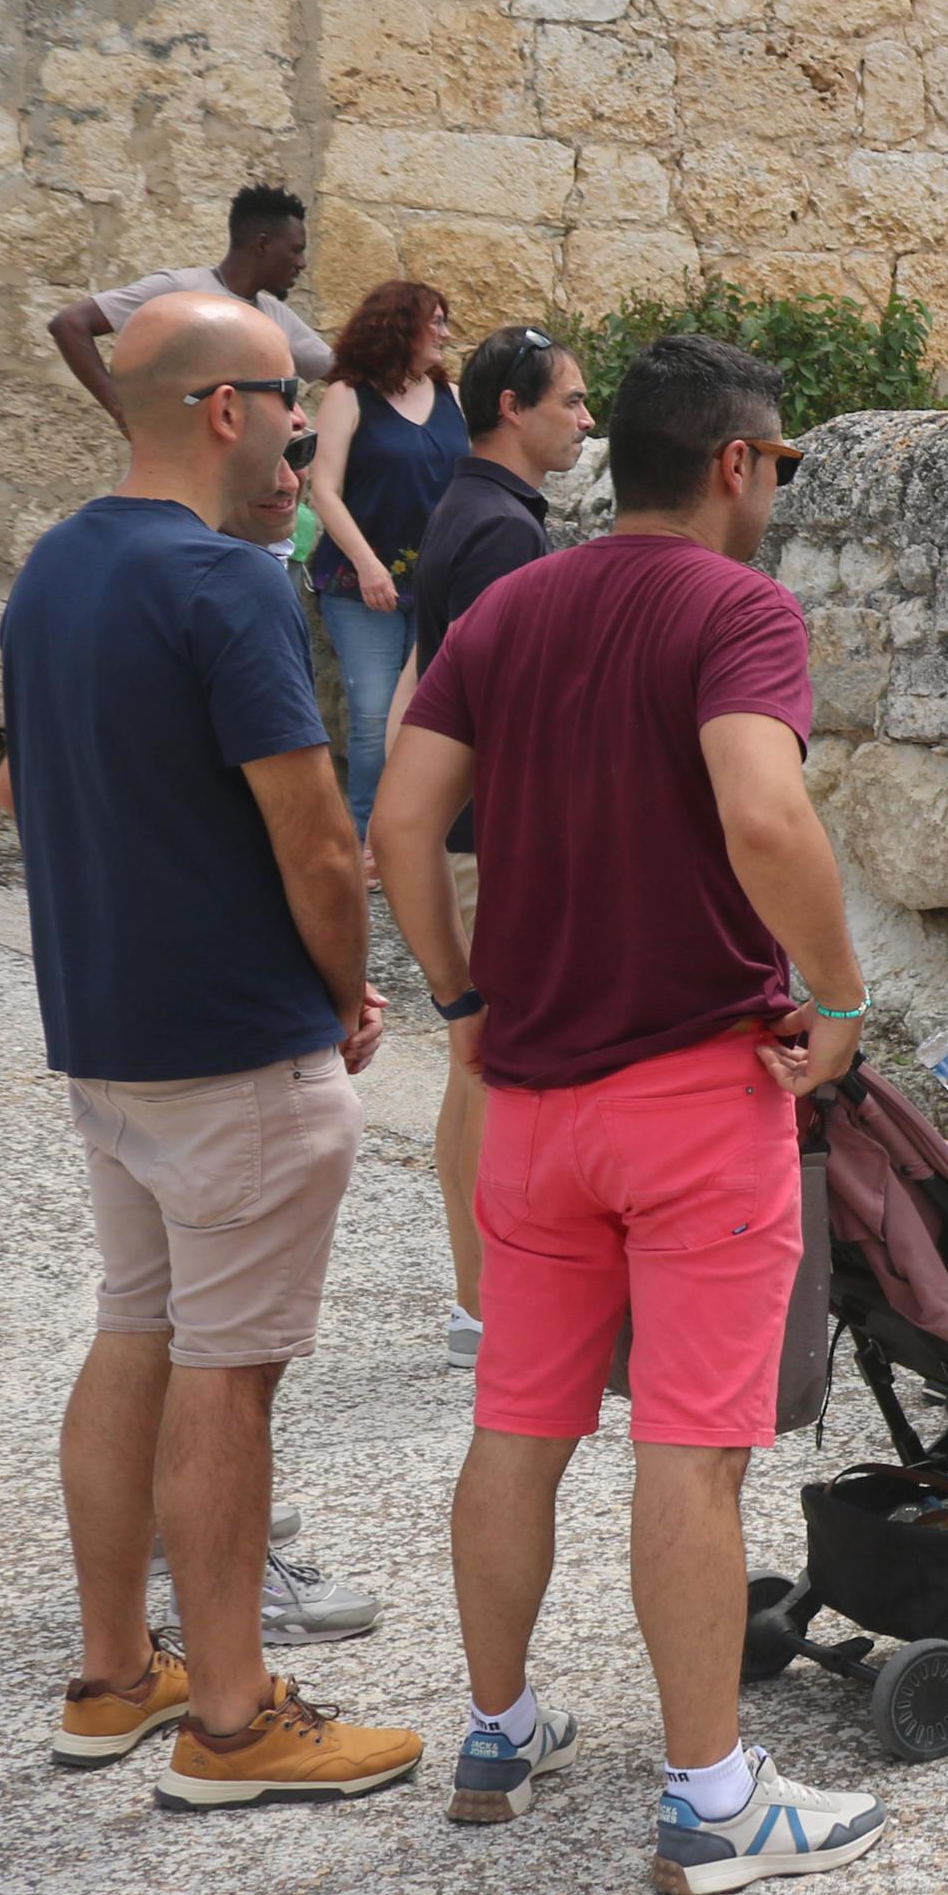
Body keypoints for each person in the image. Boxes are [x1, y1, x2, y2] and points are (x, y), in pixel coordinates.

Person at [372, 331, 886, 1892]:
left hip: (532, 1101)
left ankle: (498, 1726)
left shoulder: (515, 602)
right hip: (688, 1093)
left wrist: (462, 1000)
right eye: (778, 463)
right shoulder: (737, 609)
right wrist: (843, 994)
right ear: (735, 461)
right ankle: (712, 1792)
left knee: (516, 1425)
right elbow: (760, 805)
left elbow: (401, 818)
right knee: (693, 1445)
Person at [2, 290, 421, 1808]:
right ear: (222, 409)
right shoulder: (229, 581)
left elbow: (23, 794)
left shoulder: (52, 568)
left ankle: (117, 1672)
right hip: (234, 1042)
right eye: (288, 403)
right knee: (228, 1376)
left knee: (137, 1329)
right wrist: (348, 991)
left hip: (108, 1034)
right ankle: (236, 1721)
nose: (308, 432)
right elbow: (317, 842)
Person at [393, 324, 595, 1364]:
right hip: (487, 837)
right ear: (511, 407)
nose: (584, 418)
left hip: (469, 829)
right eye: (567, 399)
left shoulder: (472, 510)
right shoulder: (502, 533)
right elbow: (503, 710)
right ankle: (483, 1298)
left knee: (468, 1066)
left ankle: (478, 1285)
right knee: (483, 1062)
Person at [300, 279, 466, 847]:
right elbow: (323, 490)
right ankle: (369, 843)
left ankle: (415, 835)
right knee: (372, 716)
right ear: (401, 328)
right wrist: (370, 566)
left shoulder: (455, 398)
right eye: (435, 322)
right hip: (358, 583)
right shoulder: (349, 395)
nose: (445, 333)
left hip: (437, 581)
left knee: (426, 716)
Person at [46, 184, 333, 427]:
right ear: (262, 245)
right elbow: (70, 324)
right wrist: (122, 414)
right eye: (295, 250)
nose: (301, 263)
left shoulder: (275, 315)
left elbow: (344, 371)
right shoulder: (179, 288)